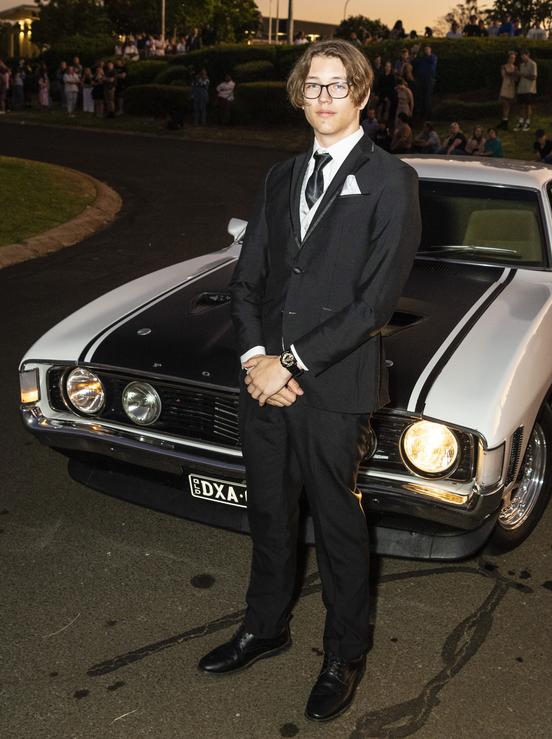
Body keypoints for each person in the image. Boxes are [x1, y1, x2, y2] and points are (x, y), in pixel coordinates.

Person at [198, 39, 421, 724]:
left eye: (337, 84)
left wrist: (288, 362)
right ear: (299, 96)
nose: (324, 97)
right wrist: (256, 356)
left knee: (337, 523)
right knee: (267, 510)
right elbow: (249, 280)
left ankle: (343, 652)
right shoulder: (279, 176)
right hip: (264, 380)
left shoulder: (392, 181)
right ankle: (265, 626)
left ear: (361, 94)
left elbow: (372, 304)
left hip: (333, 385)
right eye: (312, 85)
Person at [514, 50, 537, 131]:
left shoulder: (533, 64)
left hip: (529, 89)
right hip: (521, 88)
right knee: (521, 106)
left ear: (528, 55)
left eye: (524, 55)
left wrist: (522, 74)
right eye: (522, 56)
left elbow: (533, 77)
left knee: (528, 106)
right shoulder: (522, 65)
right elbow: (519, 77)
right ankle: (520, 121)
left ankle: (527, 122)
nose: (522, 57)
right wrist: (517, 74)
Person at [413, 45, 437, 119]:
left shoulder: (432, 57)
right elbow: (415, 62)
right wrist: (415, 54)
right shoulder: (422, 58)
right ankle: (422, 114)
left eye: (428, 49)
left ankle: (428, 115)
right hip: (421, 79)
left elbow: (432, 63)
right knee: (422, 97)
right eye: (425, 49)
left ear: (430, 50)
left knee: (427, 97)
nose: (426, 51)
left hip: (429, 79)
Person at [498, 51, 518, 129]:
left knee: (508, 105)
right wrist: (511, 73)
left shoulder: (515, 68)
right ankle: (504, 121)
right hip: (505, 86)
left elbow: (516, 79)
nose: (513, 59)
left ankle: (505, 121)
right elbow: (503, 76)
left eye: (514, 58)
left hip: (511, 86)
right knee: (504, 104)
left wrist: (514, 74)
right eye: (511, 58)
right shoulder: (504, 66)